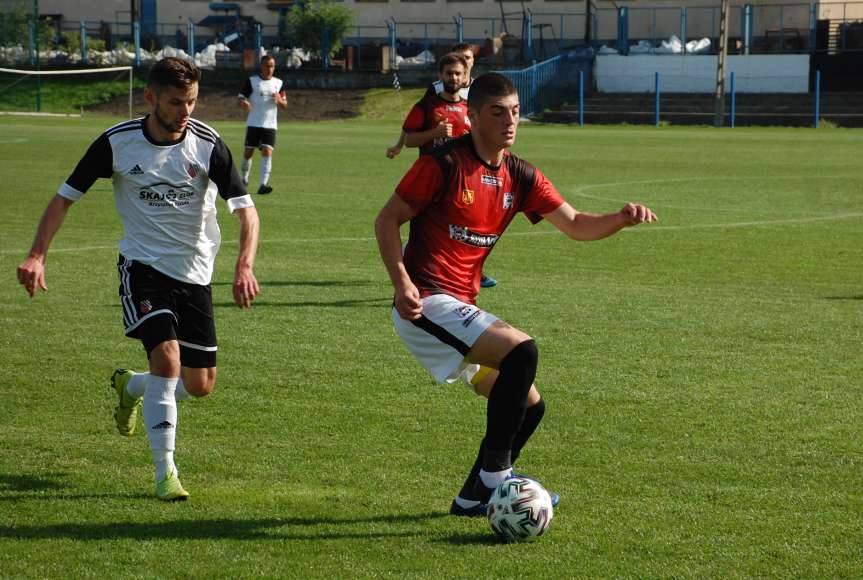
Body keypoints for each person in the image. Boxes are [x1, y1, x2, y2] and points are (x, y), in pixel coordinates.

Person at [374, 73, 657, 517]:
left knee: (529, 405)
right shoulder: (443, 164)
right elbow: (387, 220)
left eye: (516, 111)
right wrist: (401, 282)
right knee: (522, 352)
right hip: (425, 302)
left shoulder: (520, 175)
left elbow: (576, 223)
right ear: (472, 116)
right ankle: (496, 480)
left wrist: (620, 218)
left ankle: (472, 498)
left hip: (458, 308)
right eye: (498, 112)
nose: (510, 121)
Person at [16, 56, 261, 502]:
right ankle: (166, 472)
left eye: (191, 101)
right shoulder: (117, 143)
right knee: (166, 360)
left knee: (199, 384)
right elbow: (63, 199)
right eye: (175, 102)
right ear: (150, 98)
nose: (185, 111)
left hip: (195, 273)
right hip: (143, 269)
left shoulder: (208, 145)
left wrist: (244, 265)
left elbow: (248, 211)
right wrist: (37, 255)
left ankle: (130, 386)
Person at [238, 54, 288, 195]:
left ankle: (263, 184)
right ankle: (244, 178)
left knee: (267, 151)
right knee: (248, 153)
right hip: (254, 123)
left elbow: (285, 104)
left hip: (270, 125)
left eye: (272, 66)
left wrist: (279, 100)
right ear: (262, 66)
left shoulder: (278, 83)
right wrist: (244, 103)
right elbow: (241, 97)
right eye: (267, 65)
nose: (270, 68)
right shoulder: (252, 81)